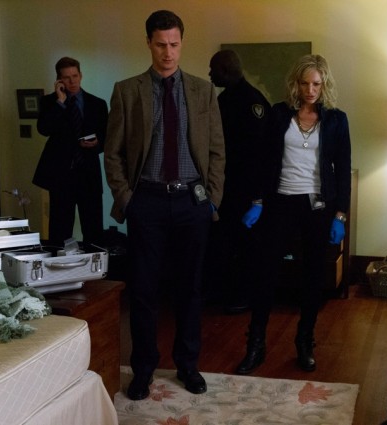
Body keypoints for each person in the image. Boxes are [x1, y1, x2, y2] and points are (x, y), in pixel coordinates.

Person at [104, 10, 225, 399]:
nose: (168, 53)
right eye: (160, 45)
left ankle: (188, 365)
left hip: (192, 201)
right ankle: (143, 370)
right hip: (148, 202)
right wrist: (127, 199)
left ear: (182, 43)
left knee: (190, 289)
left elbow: (217, 150)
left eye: (174, 44)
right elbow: (113, 153)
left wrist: (212, 200)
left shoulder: (202, 91)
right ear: (148, 43)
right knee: (143, 290)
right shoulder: (127, 91)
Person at [236, 54, 351, 374]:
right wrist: (258, 201)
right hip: (280, 203)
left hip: (317, 206)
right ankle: (255, 344)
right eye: (304, 83)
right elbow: (263, 161)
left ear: (324, 85)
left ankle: (304, 341)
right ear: (296, 84)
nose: (310, 90)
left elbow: (342, 169)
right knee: (266, 274)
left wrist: (340, 215)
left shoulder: (336, 120)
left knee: (313, 276)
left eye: (316, 84)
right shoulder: (278, 114)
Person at [205, 49, 271, 314]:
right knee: (223, 243)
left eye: (213, 69)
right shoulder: (225, 99)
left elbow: (260, 153)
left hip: (245, 189)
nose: (210, 74)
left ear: (225, 70)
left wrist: (257, 198)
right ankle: (224, 292)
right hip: (225, 186)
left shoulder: (252, 102)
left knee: (244, 246)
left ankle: (242, 295)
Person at [34, 56, 108, 246]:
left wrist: (97, 143)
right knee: (60, 230)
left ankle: (95, 264)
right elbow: (44, 129)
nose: (72, 81)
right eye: (67, 78)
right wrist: (60, 102)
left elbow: (108, 137)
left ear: (81, 75)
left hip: (88, 174)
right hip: (61, 175)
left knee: (93, 229)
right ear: (59, 80)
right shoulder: (49, 102)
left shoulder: (97, 104)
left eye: (75, 76)